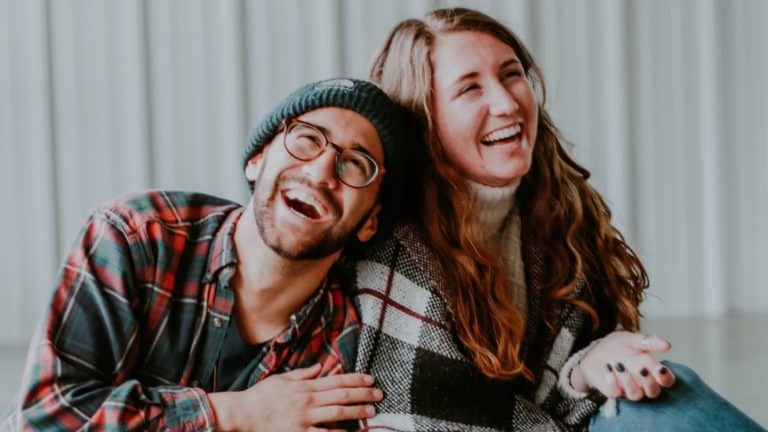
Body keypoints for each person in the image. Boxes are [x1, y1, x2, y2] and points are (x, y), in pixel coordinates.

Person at [352, 7, 765, 432]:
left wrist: (592, 364)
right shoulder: (389, 248)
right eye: (470, 89)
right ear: (424, 121)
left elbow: (553, 380)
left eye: (511, 74)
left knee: (658, 392)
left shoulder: (556, 211)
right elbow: (433, 415)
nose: (507, 102)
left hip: (553, 420)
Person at [3, 78, 416, 431]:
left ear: (370, 222)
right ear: (257, 161)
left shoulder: (338, 350)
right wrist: (235, 412)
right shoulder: (136, 237)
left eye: (356, 165)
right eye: (307, 139)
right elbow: (43, 419)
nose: (322, 170)